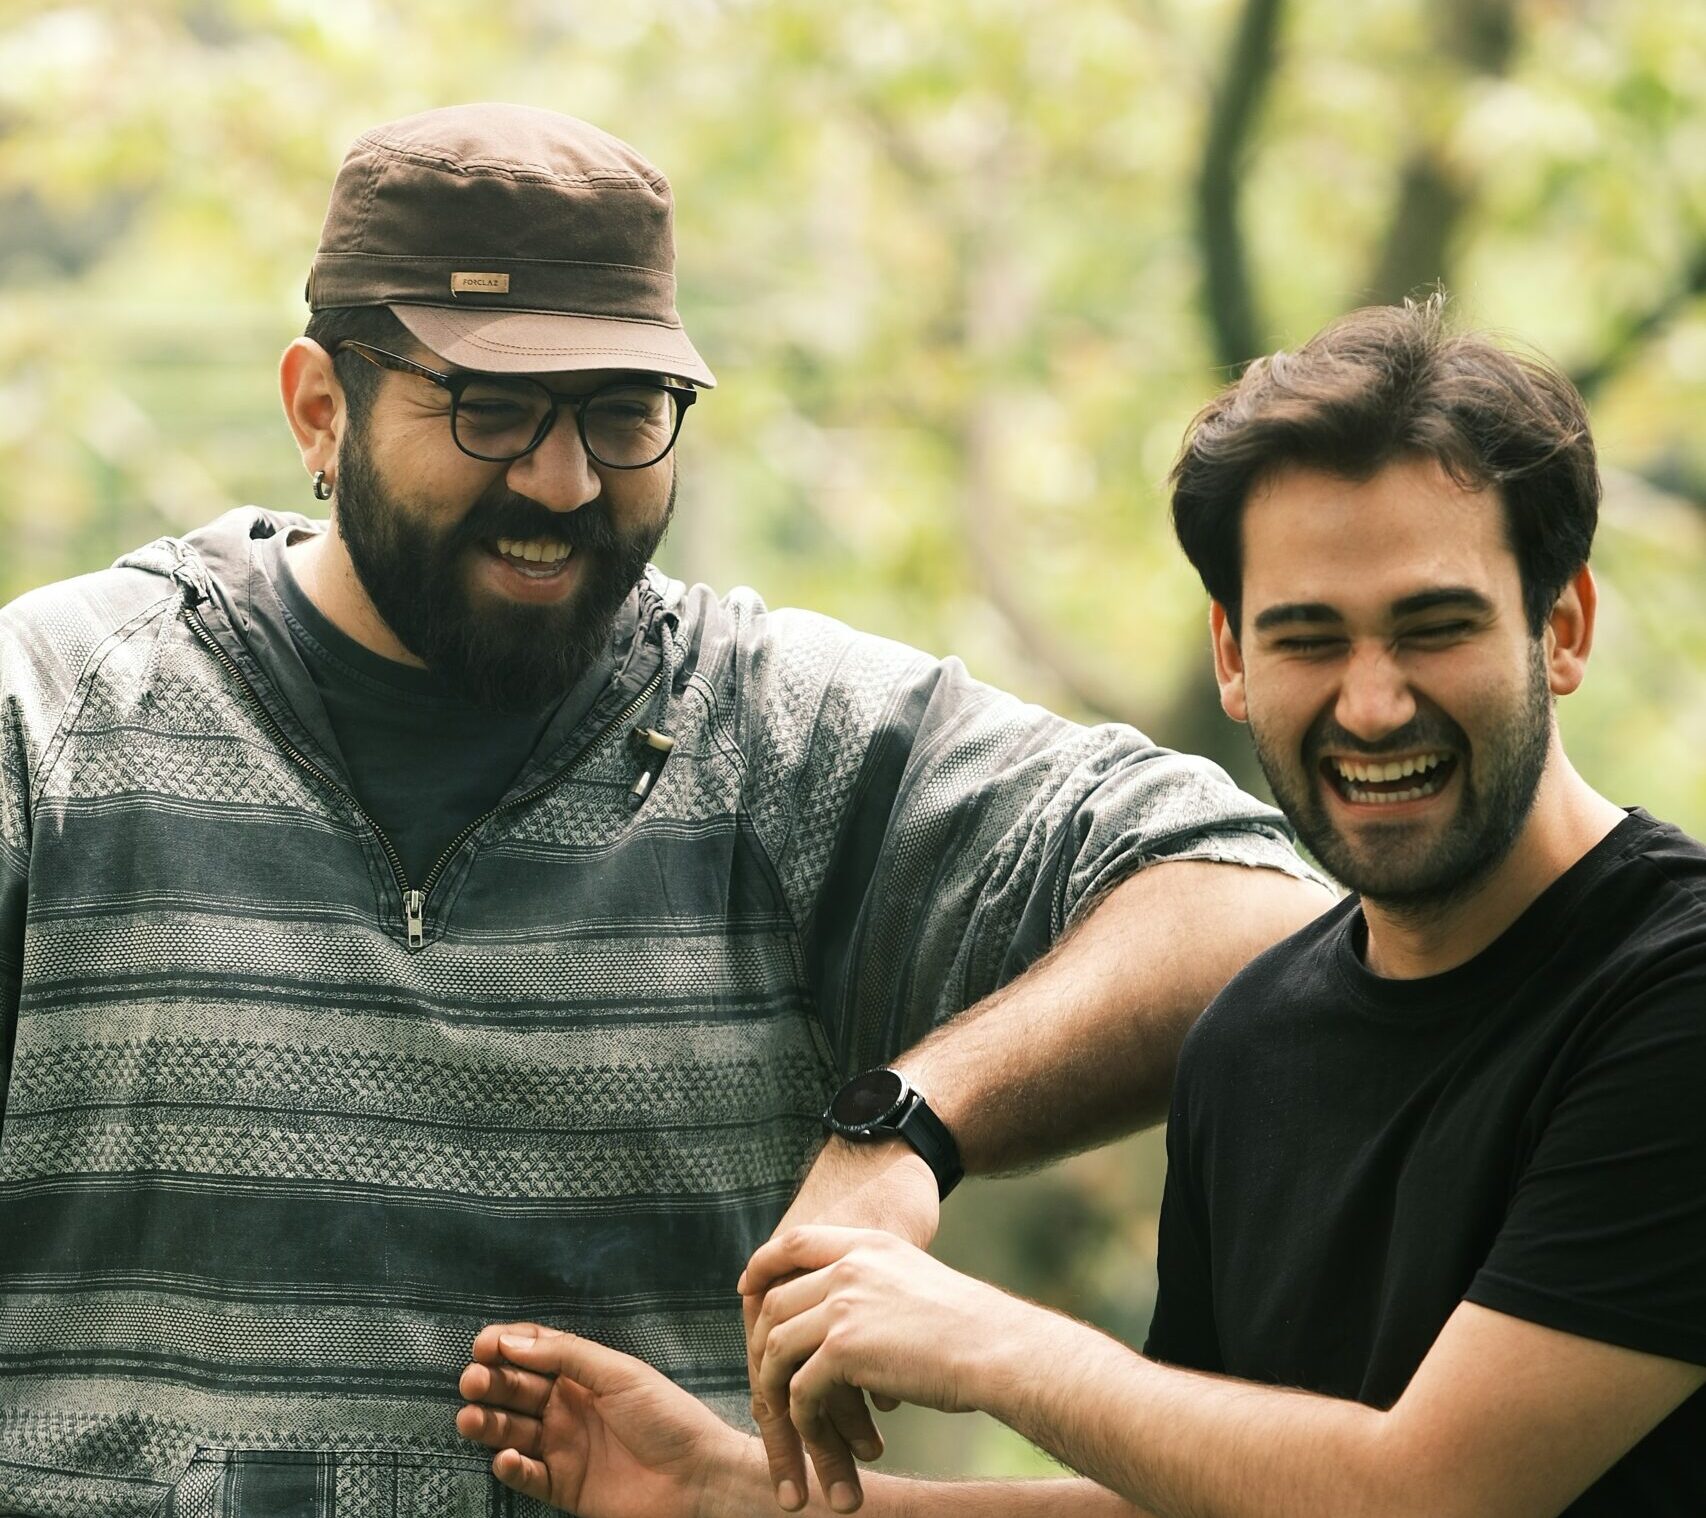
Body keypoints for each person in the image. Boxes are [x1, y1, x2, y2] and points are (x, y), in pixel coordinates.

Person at [0, 104, 1326, 1516]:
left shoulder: (781, 736)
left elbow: (1255, 906)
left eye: (624, 413)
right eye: (490, 408)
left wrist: (904, 1127)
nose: (562, 482)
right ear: (321, 406)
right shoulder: (56, 716)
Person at [455, 300, 1706, 1517]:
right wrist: (729, 1494)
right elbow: (1216, 1496)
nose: (1370, 705)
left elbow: (1428, 1494)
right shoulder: (1254, 1037)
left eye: (1432, 628)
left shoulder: (1669, 996)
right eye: (1306, 638)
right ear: (1229, 656)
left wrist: (990, 1344)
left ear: (1561, 626)